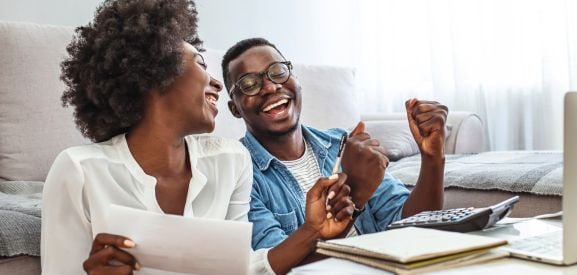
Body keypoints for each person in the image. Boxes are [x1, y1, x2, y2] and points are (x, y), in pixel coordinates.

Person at [41, 1, 353, 274]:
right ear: (156, 74)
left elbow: (244, 269)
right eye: (201, 63)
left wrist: (313, 231)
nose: (216, 83)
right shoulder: (79, 171)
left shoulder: (230, 161)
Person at [221, 38, 449, 259]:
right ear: (235, 109)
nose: (270, 86)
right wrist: (355, 194)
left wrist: (432, 158)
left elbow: (414, 226)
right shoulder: (238, 172)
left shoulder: (340, 144)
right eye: (249, 84)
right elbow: (276, 265)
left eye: (278, 71)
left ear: (296, 79)